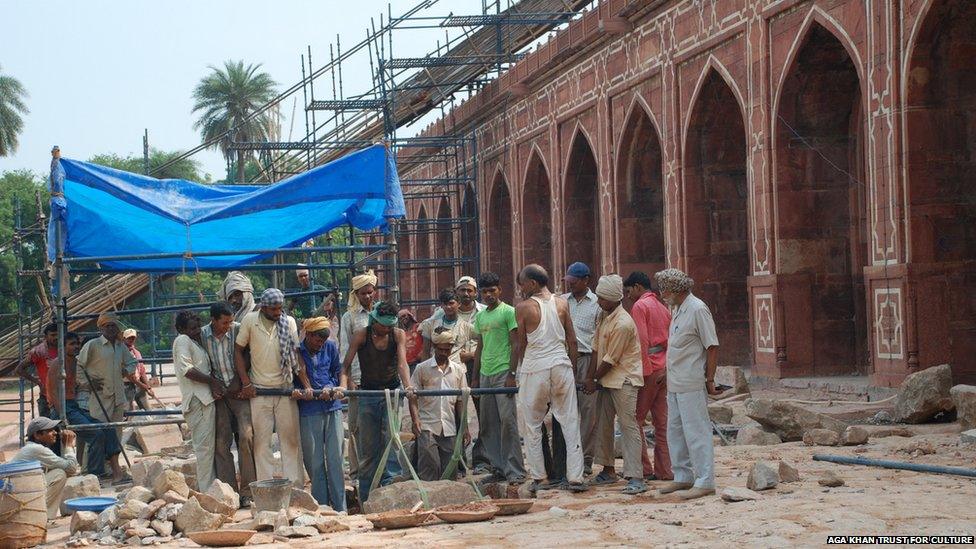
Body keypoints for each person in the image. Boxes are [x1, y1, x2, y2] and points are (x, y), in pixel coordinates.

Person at [513, 264, 587, 494]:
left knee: (532, 424)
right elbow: (572, 341)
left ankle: (539, 476)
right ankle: (576, 477)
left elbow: (520, 344)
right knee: (570, 422)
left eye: (522, 284)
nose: (520, 289)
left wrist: (513, 372)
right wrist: (571, 370)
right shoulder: (562, 303)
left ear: (533, 283)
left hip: (535, 368)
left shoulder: (523, 307)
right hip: (561, 365)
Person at [654, 268, 722, 500]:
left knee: (697, 432)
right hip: (675, 381)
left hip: (692, 381)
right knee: (675, 431)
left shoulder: (697, 309)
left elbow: (711, 346)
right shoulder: (677, 309)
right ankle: (682, 476)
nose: (662, 294)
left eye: (665, 289)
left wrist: (710, 379)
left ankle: (705, 480)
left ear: (676, 289)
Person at [235, 288, 314, 488]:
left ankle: (295, 487)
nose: (278, 313)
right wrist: (246, 383)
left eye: (280, 308)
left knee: (291, 441)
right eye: (274, 309)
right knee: (262, 444)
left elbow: (296, 356)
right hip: (259, 391)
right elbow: (238, 350)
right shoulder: (250, 321)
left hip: (285, 389)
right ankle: (265, 487)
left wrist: (306, 386)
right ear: (263, 307)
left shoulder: (288, 323)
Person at [339, 301, 414, 502]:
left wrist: (408, 387)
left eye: (390, 326)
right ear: (374, 320)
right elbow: (345, 366)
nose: (386, 330)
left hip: (391, 391)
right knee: (369, 446)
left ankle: (390, 490)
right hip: (369, 394)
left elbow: (402, 364)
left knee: (391, 439)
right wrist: (342, 386)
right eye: (383, 326)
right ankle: (366, 495)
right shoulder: (362, 335)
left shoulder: (397, 334)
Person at [584, 275, 647, 495]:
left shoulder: (623, 322)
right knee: (603, 424)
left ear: (612, 299)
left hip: (625, 379)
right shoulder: (603, 315)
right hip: (606, 380)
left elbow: (611, 358)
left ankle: (635, 475)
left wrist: (592, 380)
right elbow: (595, 349)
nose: (598, 301)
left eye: (602, 298)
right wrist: (590, 377)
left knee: (628, 426)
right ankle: (608, 469)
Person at [470, 272, 526, 483]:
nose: (488, 295)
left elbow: (516, 344)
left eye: (492, 290)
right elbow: (480, 347)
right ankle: (498, 468)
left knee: (508, 423)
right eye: (484, 292)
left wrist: (512, 374)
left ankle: (516, 471)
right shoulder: (481, 316)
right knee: (488, 424)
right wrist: (475, 378)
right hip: (485, 373)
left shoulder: (508, 312)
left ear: (499, 290)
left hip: (503, 372)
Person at [47, 331, 124, 480]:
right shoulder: (58, 364)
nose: (75, 347)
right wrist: (63, 417)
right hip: (63, 408)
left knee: (108, 428)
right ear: (62, 347)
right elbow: (53, 393)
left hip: (74, 406)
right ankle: (95, 474)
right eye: (71, 344)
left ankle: (116, 471)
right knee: (96, 434)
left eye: (77, 344)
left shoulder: (77, 362)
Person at [201, 301, 256, 507]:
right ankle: (229, 491)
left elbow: (248, 353)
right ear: (213, 320)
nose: (228, 326)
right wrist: (215, 385)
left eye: (230, 321)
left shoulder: (238, 330)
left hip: (239, 391)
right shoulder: (202, 335)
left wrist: (239, 380)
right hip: (220, 395)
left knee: (247, 436)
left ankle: (248, 491)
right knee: (221, 442)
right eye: (224, 322)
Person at [624, 271, 673, 481]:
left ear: (637, 287)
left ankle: (643, 468)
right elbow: (672, 339)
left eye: (628, 291)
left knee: (635, 420)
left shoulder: (640, 306)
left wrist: (641, 373)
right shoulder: (663, 307)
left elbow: (641, 341)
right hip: (664, 366)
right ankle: (665, 470)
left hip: (650, 368)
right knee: (662, 423)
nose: (628, 296)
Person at [296, 317, 346, 512]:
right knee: (315, 461)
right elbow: (293, 377)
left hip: (331, 407)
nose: (320, 344)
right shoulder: (297, 351)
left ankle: (341, 508)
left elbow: (337, 371)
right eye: (317, 340)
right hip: (309, 410)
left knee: (336, 460)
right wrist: (301, 390)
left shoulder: (331, 347)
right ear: (308, 335)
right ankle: (322, 507)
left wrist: (331, 386)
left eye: (323, 341)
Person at [556, 261, 601, 479]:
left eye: (574, 282)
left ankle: (586, 460)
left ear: (585, 281)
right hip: (563, 359)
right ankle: (566, 458)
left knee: (588, 412)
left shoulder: (597, 304)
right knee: (565, 410)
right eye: (568, 282)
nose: (570, 285)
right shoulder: (563, 301)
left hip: (587, 359)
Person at [408, 327, 470, 481]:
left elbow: (461, 402)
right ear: (434, 348)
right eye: (441, 349)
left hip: (449, 426)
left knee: (450, 471)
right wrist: (415, 420)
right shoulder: (422, 369)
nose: (444, 353)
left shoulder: (458, 371)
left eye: (447, 350)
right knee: (429, 468)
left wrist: (464, 427)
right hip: (428, 425)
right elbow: (412, 397)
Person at [76, 312, 137, 463]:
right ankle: (89, 468)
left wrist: (126, 371)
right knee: (97, 433)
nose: (110, 328)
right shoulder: (93, 345)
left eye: (113, 325)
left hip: (118, 396)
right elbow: (78, 365)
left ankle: (110, 467)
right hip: (100, 396)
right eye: (107, 326)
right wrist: (87, 383)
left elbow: (132, 362)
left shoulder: (120, 346)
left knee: (116, 432)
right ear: (101, 328)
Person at [173, 310, 223, 492]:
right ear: (180, 329)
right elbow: (187, 370)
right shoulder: (182, 341)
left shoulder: (194, 342)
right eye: (192, 328)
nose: (196, 331)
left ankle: (210, 489)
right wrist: (213, 382)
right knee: (204, 450)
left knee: (208, 449)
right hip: (198, 401)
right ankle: (207, 492)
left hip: (204, 401)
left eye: (197, 327)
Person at [340, 269, 377, 479]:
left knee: (380, 426)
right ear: (356, 295)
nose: (368, 297)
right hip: (359, 379)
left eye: (370, 292)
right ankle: (356, 472)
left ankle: (378, 469)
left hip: (379, 379)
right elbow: (345, 349)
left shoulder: (381, 313)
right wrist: (351, 379)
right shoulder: (349, 317)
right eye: (363, 294)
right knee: (355, 427)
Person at [13, 417, 79, 519]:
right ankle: (43, 517)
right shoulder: (37, 449)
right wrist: (69, 446)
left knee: (56, 471)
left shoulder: (32, 447)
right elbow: (71, 468)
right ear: (37, 435)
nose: (55, 433)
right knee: (59, 473)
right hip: (21, 496)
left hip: (19, 494)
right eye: (49, 431)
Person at [420, 288, 474, 365]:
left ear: (459, 304)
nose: (448, 307)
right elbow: (425, 351)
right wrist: (424, 371)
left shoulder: (466, 327)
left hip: (458, 371)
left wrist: (472, 354)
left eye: (451, 303)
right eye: (445, 304)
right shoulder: (430, 325)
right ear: (441, 305)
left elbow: (485, 340)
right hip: (435, 370)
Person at [15, 322, 58, 418]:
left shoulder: (65, 348)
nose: (56, 337)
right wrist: (38, 382)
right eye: (53, 335)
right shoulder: (38, 352)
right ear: (46, 336)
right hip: (46, 397)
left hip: (66, 396)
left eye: (58, 334)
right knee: (47, 429)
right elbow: (19, 369)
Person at [122, 328, 153, 411]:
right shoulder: (121, 353)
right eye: (129, 338)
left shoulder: (137, 353)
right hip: (126, 386)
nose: (131, 340)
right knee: (128, 411)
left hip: (138, 384)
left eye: (133, 338)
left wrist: (148, 387)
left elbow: (142, 370)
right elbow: (129, 375)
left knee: (147, 409)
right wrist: (144, 386)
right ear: (124, 338)